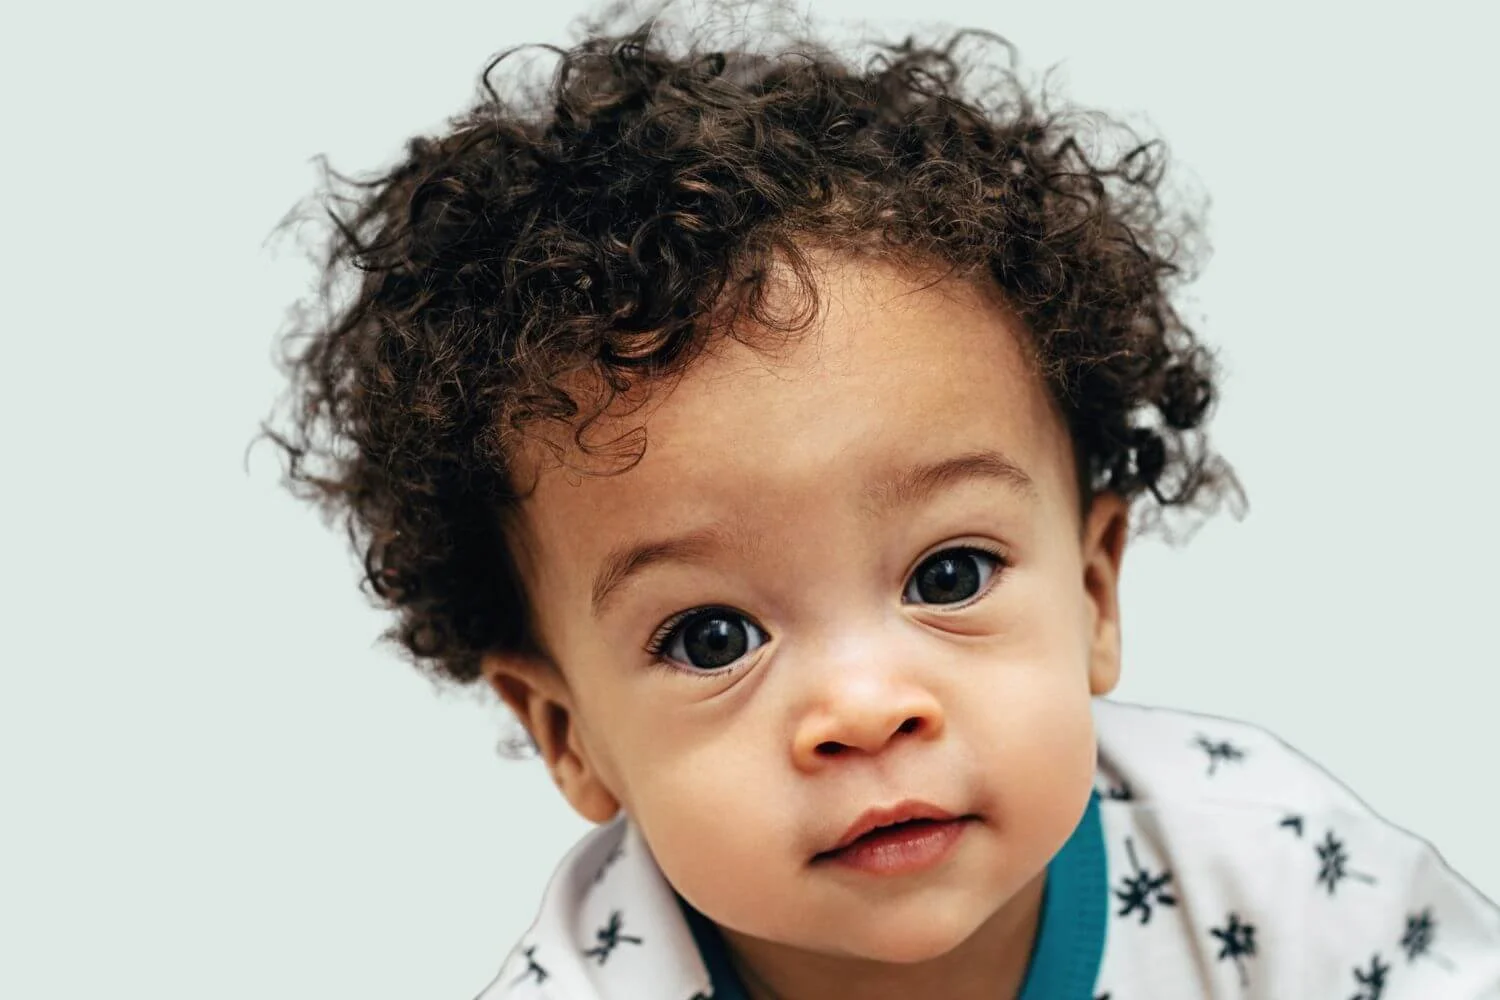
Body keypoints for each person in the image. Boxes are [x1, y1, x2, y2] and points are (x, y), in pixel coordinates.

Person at [262, 1, 1500, 995]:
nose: (863, 710)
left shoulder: (1273, 868)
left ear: (1092, 590)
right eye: (712, 637)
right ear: (569, 733)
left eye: (949, 575)